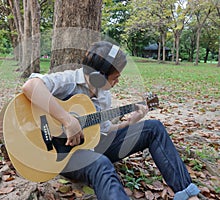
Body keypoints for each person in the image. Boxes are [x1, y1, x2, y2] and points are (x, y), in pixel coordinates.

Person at [22, 41, 200, 200]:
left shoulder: (103, 95)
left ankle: (186, 192)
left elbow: (104, 130)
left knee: (153, 128)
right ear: (98, 77)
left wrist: (131, 123)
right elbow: (31, 86)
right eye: (115, 77)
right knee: (101, 164)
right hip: (57, 153)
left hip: (90, 145)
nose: (117, 81)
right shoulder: (68, 80)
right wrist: (67, 120)